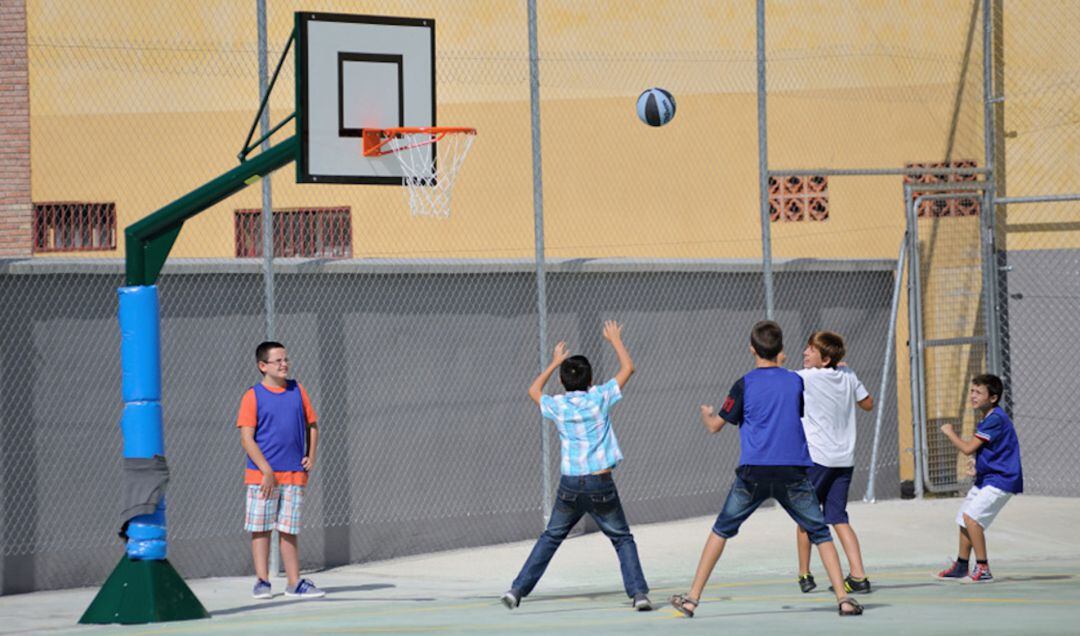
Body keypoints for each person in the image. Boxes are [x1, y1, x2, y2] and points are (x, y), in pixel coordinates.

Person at [669, 320, 863, 618]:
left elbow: (716, 427)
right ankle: (844, 599)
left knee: (721, 530)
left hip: (753, 473)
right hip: (792, 472)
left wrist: (707, 415)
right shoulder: (796, 381)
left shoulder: (744, 384)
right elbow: (795, 406)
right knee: (820, 533)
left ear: (751, 348)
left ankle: (692, 599)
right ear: (782, 350)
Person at [501, 321, 652, 611]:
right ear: (591, 379)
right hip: (600, 482)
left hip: (570, 484)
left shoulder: (558, 405)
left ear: (561, 381)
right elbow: (628, 368)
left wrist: (554, 361)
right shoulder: (599, 398)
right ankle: (639, 594)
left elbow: (533, 389)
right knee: (622, 538)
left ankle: (516, 590)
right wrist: (615, 340)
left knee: (551, 537)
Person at [237, 341, 325, 599]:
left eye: (286, 359)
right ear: (263, 366)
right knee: (261, 527)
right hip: (262, 477)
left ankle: (294, 583)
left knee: (289, 529)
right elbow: (247, 438)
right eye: (278, 361)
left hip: (294, 474)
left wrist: (310, 455)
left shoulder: (298, 390)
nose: (284, 364)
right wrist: (266, 471)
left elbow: (313, 425)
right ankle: (262, 581)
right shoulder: (252, 396)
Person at [793, 331, 874, 595]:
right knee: (838, 517)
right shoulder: (848, 376)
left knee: (805, 515)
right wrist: (845, 376)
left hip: (816, 460)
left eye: (811, 350)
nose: (805, 353)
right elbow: (868, 404)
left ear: (825, 358)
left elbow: (781, 384)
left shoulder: (805, 378)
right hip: (843, 460)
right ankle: (858, 576)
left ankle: (805, 574)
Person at [937, 374, 1023, 583]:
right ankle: (961, 565)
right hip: (987, 477)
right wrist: (979, 465)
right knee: (963, 518)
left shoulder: (995, 419)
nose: (973, 396)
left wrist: (950, 433)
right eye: (972, 391)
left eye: (979, 392)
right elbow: (997, 449)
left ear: (993, 398)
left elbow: (967, 448)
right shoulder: (988, 417)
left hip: (1002, 480)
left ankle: (983, 568)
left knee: (973, 519)